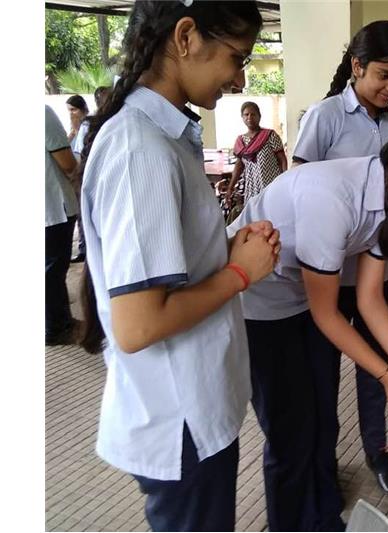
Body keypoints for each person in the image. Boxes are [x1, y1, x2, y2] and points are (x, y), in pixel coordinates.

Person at [77, 2, 279, 531]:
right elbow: (138, 324)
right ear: (185, 36)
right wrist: (239, 275)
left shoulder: (165, 137)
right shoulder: (139, 148)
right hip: (179, 421)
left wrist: (230, 248)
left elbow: (175, 264)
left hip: (195, 411)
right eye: (236, 58)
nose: (237, 80)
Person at [229, 118, 388, 530]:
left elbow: (370, 300)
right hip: (258, 304)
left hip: (299, 297)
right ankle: (290, 523)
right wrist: (387, 377)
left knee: (321, 419)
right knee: (290, 433)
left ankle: (322, 518)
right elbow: (328, 314)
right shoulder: (333, 198)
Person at [291, 19, 388, 496]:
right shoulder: (325, 117)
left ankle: (377, 451)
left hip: (378, 267)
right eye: (384, 74)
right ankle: (323, 461)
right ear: (357, 67)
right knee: (322, 370)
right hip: (328, 273)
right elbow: (299, 188)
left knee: (373, 363)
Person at [45, 105, 80, 345]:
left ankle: (57, 321)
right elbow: (67, 163)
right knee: (53, 269)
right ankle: (56, 327)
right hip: (53, 206)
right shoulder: (42, 113)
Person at [224, 101, 287, 208]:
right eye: (246, 115)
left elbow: (282, 160)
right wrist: (230, 188)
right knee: (254, 217)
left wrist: (284, 181)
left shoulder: (270, 135)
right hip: (252, 188)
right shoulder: (240, 141)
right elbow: (239, 166)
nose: (249, 117)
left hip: (271, 185)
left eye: (253, 114)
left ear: (259, 116)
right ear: (242, 117)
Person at [66, 94, 90, 263]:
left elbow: (77, 157)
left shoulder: (87, 125)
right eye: (68, 110)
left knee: (83, 215)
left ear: (82, 109)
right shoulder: (78, 128)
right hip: (78, 176)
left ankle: (85, 249)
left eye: (73, 110)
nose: (71, 114)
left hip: (82, 176)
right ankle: (83, 247)